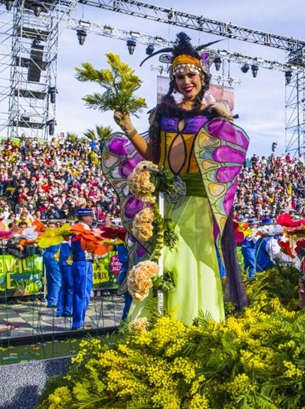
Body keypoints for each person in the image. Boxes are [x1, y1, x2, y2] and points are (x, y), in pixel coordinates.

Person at [107, 32, 249, 323]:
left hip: (199, 202)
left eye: (191, 75)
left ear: (203, 78)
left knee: (194, 259)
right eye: (180, 76)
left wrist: (227, 122)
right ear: (173, 81)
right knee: (166, 258)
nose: (187, 82)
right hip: (168, 201)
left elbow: (229, 154)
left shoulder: (212, 116)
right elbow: (155, 158)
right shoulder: (163, 114)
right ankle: (165, 320)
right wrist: (129, 128)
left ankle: (198, 320)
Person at [70, 208, 94, 329]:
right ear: (84, 217)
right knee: (82, 292)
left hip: (86, 261)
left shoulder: (85, 228)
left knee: (85, 292)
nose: (92, 218)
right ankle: (78, 322)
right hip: (82, 262)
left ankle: (80, 320)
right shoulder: (79, 227)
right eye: (90, 216)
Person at [42, 222, 62, 308]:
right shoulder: (54, 236)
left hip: (48, 256)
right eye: (49, 226)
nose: (50, 228)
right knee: (56, 279)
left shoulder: (49, 236)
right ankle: (53, 300)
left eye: (52, 227)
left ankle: (50, 298)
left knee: (51, 279)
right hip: (53, 257)